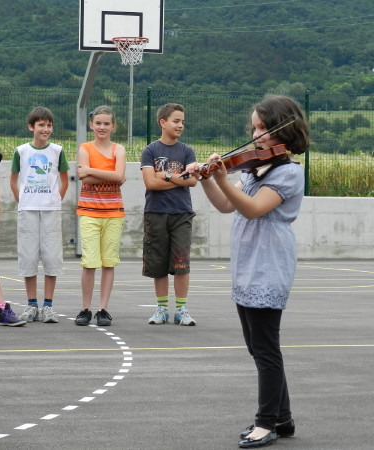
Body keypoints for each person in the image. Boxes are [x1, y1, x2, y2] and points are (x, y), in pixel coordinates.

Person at [185, 95, 309, 448]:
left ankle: (265, 423)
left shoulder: (288, 172)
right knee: (258, 347)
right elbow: (227, 205)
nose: (255, 135)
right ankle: (283, 418)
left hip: (268, 263)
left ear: (284, 129)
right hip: (249, 264)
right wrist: (206, 178)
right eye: (253, 128)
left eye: (263, 128)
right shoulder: (256, 169)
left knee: (266, 350)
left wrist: (222, 178)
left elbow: (253, 209)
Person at [140, 103, 198, 327]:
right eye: (176, 121)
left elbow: (192, 181)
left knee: (182, 262)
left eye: (183, 121)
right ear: (162, 123)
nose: (180, 125)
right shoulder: (150, 151)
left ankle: (181, 309)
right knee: (159, 263)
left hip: (181, 214)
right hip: (155, 213)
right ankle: (162, 308)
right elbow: (150, 183)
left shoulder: (187, 151)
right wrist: (178, 179)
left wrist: (164, 175)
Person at [10, 106, 69, 324]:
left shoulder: (57, 151)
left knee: (52, 257)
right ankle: (32, 304)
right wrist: (23, 200)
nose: (45, 129)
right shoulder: (21, 151)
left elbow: (64, 180)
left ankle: (48, 306)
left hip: (51, 210)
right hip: (28, 210)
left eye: (49, 125)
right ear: (31, 127)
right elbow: (13, 180)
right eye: (41, 125)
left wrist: (55, 199)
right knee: (28, 257)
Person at [74, 105, 126, 326]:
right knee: (89, 263)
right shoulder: (85, 148)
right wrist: (111, 175)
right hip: (89, 212)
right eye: (98, 123)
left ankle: (103, 309)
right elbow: (85, 178)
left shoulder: (118, 149)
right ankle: (85, 308)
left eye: (106, 123)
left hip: (113, 213)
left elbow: (119, 175)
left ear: (113, 126)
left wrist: (91, 171)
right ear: (91, 125)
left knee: (108, 263)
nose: (102, 127)